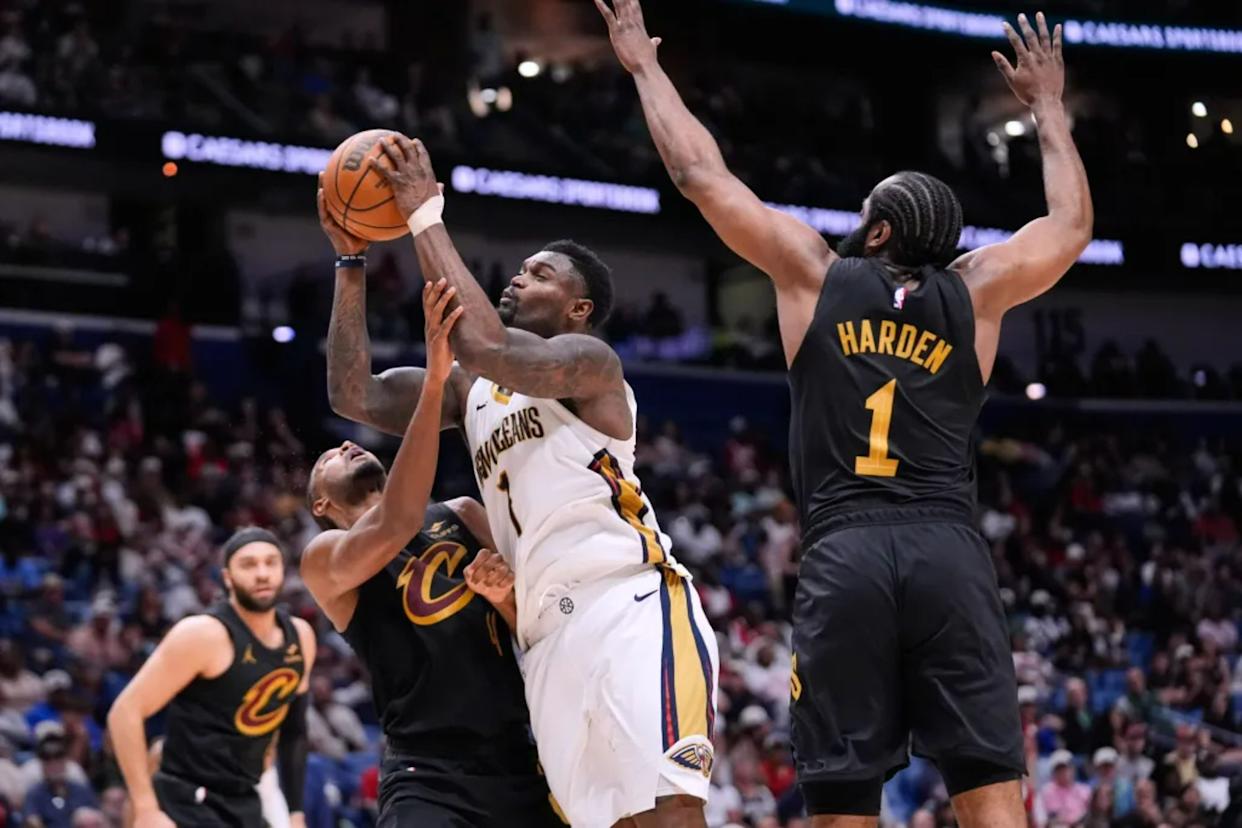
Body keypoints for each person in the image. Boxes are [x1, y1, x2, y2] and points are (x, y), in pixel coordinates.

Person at [595, 2, 1092, 826]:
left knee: (842, 797)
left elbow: (700, 177)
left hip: (846, 550)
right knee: (991, 788)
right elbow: (1070, 224)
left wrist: (646, 68)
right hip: (947, 550)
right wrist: (1047, 108)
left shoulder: (815, 275)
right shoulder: (978, 292)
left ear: (881, 228)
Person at [319, 142, 719, 825]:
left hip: (625, 598)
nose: (518, 278)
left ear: (578, 310)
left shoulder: (591, 366)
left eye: (540, 274)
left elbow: (489, 346)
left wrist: (424, 215)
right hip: (541, 634)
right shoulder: (469, 389)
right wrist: (351, 260)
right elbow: (354, 393)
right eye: (522, 268)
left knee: (668, 810)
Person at [301, 279, 560, 827]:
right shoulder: (325, 560)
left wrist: (507, 598)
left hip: (517, 755)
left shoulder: (463, 512)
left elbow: (535, 627)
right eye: (328, 456)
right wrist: (435, 378)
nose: (347, 444)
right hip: (427, 772)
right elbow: (396, 520)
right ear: (321, 503)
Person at [107, 528, 316, 828]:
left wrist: (296, 813)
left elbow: (295, 732)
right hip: (188, 800)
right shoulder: (203, 634)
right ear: (227, 577)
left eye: (271, 562)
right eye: (248, 564)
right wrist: (145, 808)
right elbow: (124, 712)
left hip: (246, 799)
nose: (262, 573)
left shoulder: (301, 637)